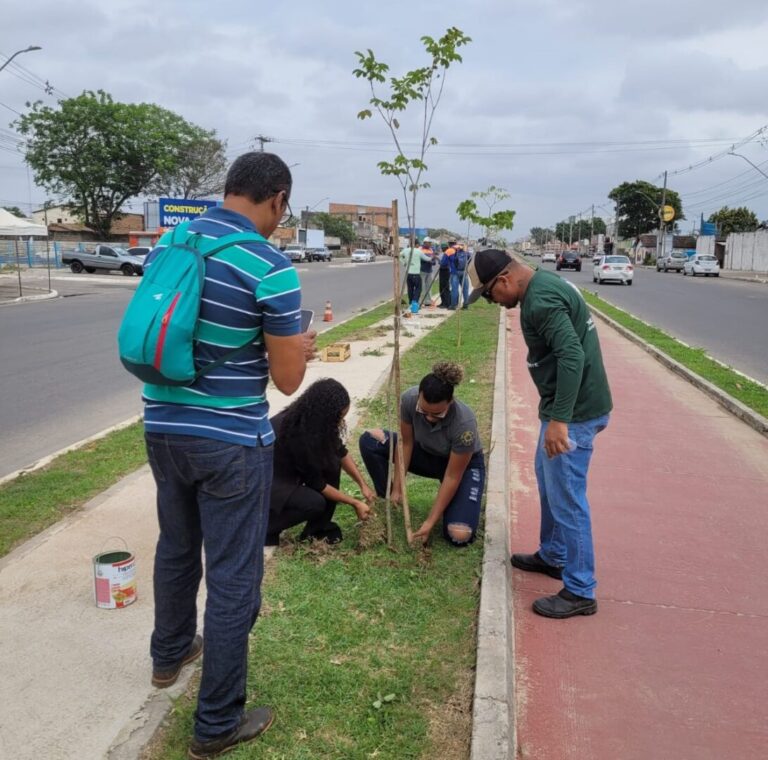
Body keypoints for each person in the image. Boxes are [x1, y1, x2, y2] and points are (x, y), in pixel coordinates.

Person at [142, 152, 315, 758]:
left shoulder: (173, 240)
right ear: (278, 197)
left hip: (161, 426)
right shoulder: (268, 264)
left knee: (176, 546)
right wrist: (299, 344)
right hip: (230, 442)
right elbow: (289, 381)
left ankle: (169, 656)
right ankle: (216, 723)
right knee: (234, 576)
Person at [466, 250, 612, 619]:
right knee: (550, 485)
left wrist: (560, 420)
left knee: (568, 499)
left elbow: (572, 357)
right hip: (566, 410)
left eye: (488, 294)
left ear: (503, 280)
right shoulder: (543, 284)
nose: (493, 302)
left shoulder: (541, 302)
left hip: (574, 415)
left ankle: (580, 589)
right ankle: (554, 555)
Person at [358, 362, 485, 547]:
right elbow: (406, 443)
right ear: (418, 396)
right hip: (426, 453)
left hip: (460, 466)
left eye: (437, 414)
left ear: (451, 402)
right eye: (424, 412)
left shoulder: (464, 425)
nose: (429, 418)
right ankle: (388, 500)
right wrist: (397, 490)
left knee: (459, 535)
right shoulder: (409, 400)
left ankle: (462, 504)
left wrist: (429, 523)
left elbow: (452, 476)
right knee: (370, 440)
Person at [266, 378, 375, 546]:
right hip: (269, 486)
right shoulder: (296, 432)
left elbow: (341, 452)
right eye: (339, 418)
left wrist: (363, 484)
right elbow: (317, 484)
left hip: (289, 476)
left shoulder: (316, 421)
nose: (340, 422)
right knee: (314, 503)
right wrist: (354, 502)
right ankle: (266, 528)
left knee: (332, 461)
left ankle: (317, 530)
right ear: (326, 413)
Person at [400, 239, 431, 306]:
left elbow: (399, 255)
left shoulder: (405, 250)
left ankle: (411, 302)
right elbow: (426, 258)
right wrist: (433, 257)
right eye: (418, 244)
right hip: (416, 273)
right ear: (416, 244)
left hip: (408, 274)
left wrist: (404, 263)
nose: (419, 245)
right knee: (418, 288)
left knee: (410, 289)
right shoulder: (418, 251)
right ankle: (415, 302)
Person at [451, 243, 471, 309]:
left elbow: (453, 260)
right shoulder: (467, 254)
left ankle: (454, 305)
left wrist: (456, 249)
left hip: (456, 272)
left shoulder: (455, 253)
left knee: (455, 289)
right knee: (465, 289)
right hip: (464, 272)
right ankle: (466, 304)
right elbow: (470, 260)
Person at [419, 238, 437, 306]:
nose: (430, 244)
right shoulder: (420, 249)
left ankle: (428, 301)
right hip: (422, 270)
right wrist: (429, 260)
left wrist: (433, 261)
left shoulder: (431, 249)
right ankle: (421, 301)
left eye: (430, 243)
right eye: (429, 243)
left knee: (429, 287)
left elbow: (434, 260)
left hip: (429, 271)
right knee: (422, 287)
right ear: (425, 242)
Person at [438, 242, 455, 308]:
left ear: (445, 248)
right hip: (443, 270)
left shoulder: (447, 252)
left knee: (445, 287)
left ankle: (446, 303)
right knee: (441, 287)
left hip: (445, 271)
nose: (442, 249)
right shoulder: (448, 252)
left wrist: (439, 261)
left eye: (442, 248)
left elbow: (444, 263)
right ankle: (443, 302)